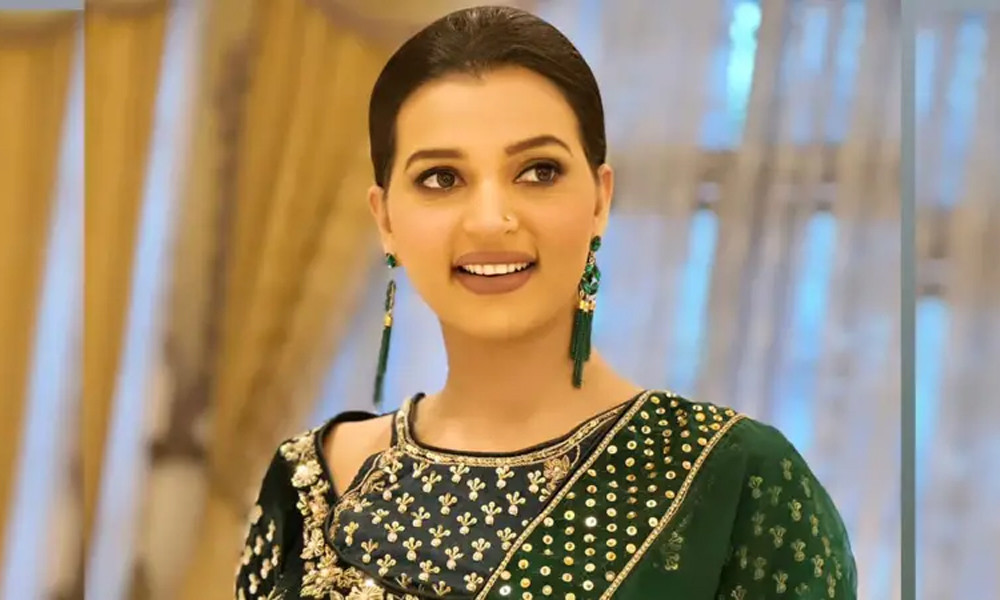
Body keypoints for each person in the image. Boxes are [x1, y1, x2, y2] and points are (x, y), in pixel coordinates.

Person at [234, 6, 857, 599]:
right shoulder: (309, 481)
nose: (490, 220)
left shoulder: (739, 483)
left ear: (600, 200)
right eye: (442, 178)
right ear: (386, 219)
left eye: (538, 172)